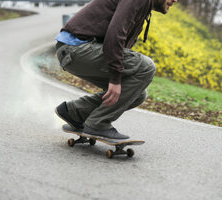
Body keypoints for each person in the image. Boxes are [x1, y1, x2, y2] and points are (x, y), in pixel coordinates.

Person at [55, 0, 178, 139]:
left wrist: (119, 77)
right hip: (76, 49)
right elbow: (115, 34)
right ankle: (97, 124)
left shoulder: (143, 7)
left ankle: (74, 112)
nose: (175, 0)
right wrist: (115, 77)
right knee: (147, 66)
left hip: (74, 52)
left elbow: (121, 45)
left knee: (136, 94)